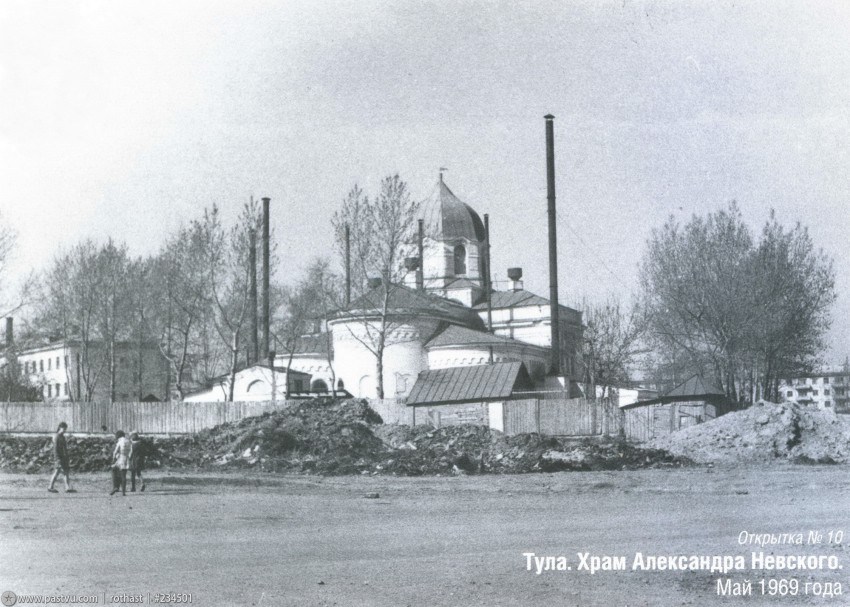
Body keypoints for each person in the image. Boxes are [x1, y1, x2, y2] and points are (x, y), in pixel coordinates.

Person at [48, 422, 75, 493]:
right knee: (57, 471)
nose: (65, 430)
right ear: (60, 428)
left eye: (65, 429)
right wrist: (57, 459)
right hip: (59, 457)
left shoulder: (63, 437)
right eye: (64, 428)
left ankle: (67, 488)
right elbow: (55, 449)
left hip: (64, 457)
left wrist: (67, 457)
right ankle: (50, 487)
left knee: (66, 472)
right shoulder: (57, 437)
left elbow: (65, 448)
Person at [110, 430, 131, 496]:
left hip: (120, 458)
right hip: (126, 458)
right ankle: (123, 492)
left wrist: (114, 459)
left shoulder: (120, 441)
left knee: (113, 470)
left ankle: (115, 487)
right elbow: (131, 451)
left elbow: (115, 451)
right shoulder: (128, 441)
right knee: (123, 475)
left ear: (118, 436)